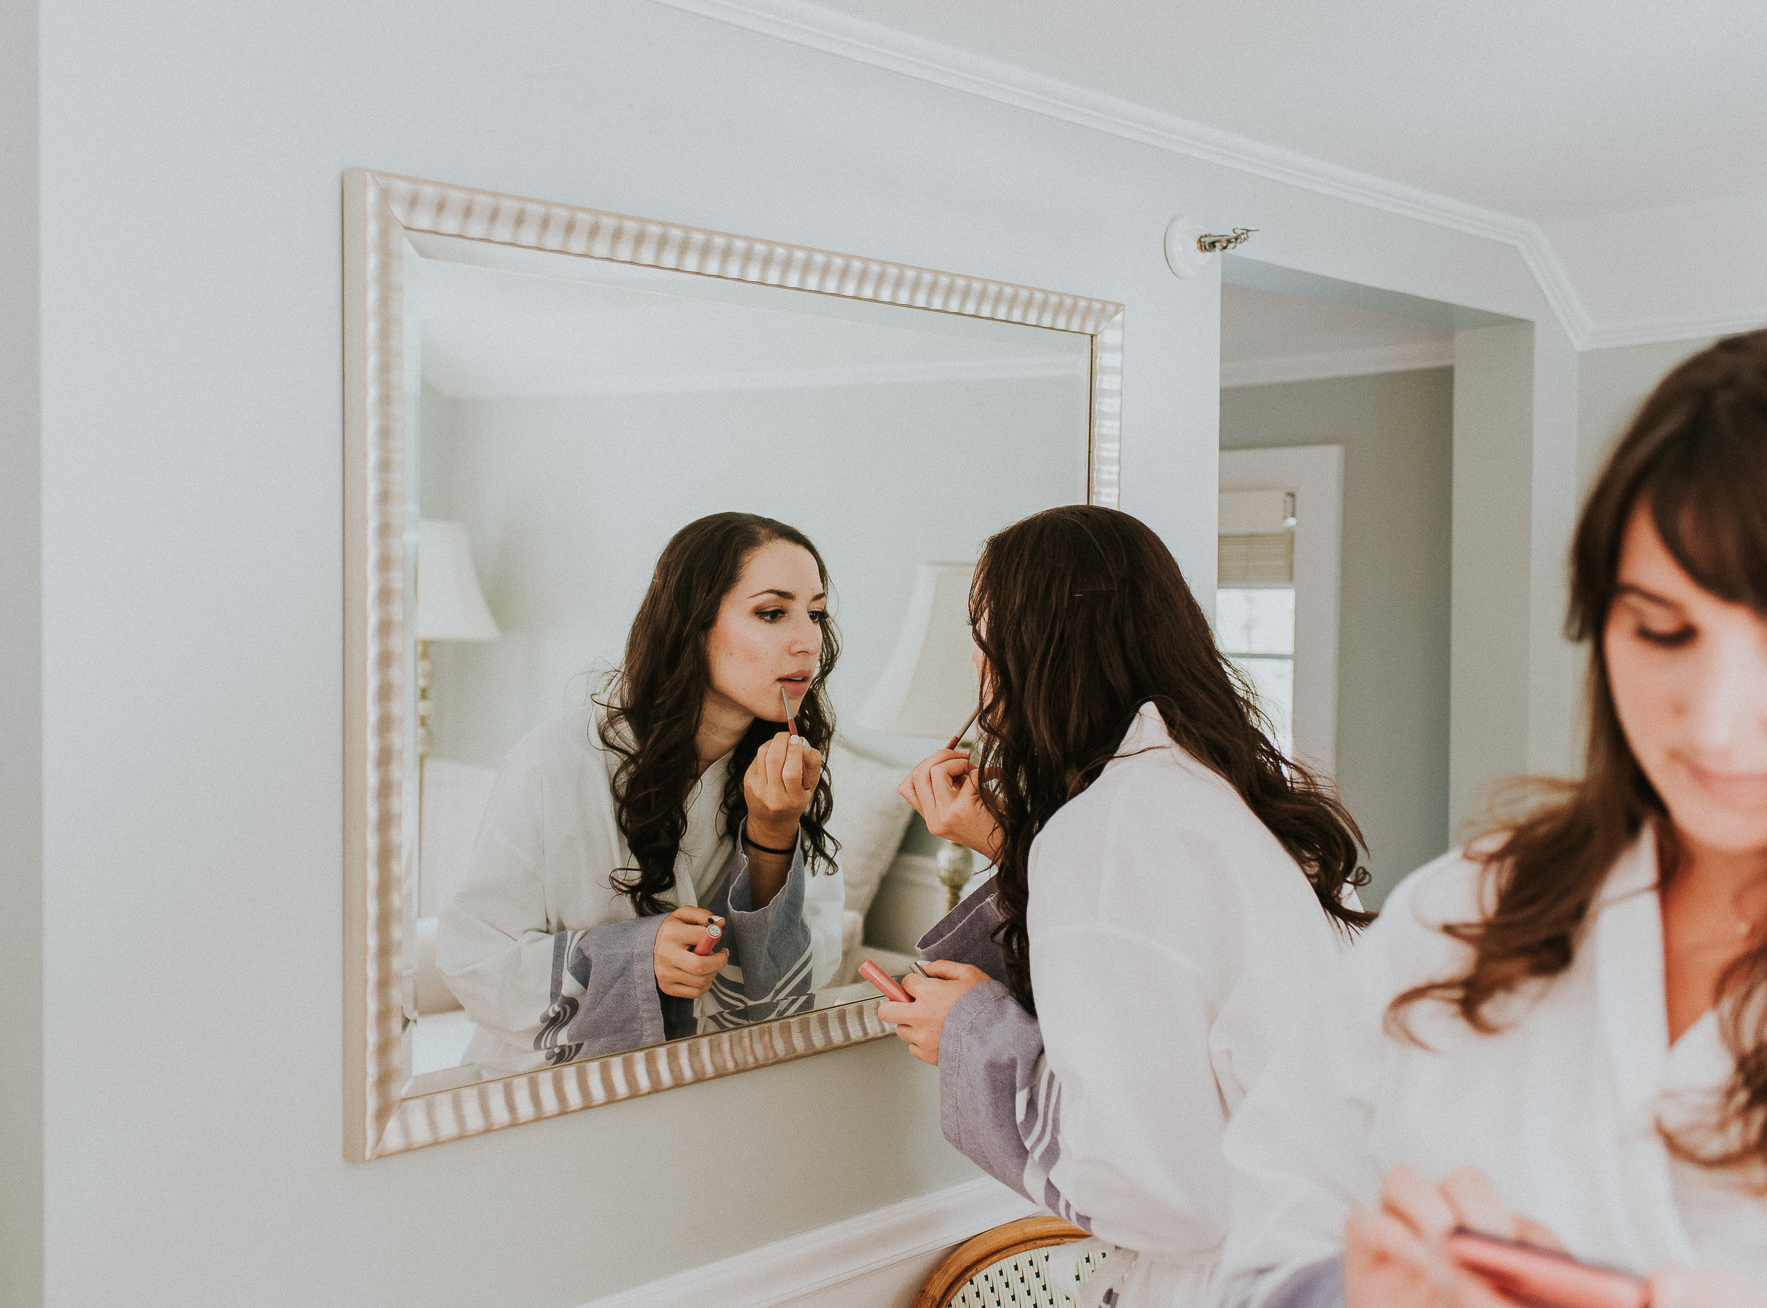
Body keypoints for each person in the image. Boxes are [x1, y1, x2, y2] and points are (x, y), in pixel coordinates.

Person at [1219, 330, 1767, 1308]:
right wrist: (1357, 1294)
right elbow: (1264, 1241)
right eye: (1659, 628)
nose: (1717, 722)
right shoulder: (1463, 913)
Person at [878, 503, 1372, 1308]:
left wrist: (972, 1034)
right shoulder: (1234, 794)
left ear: (1041, 645)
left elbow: (1158, 1191)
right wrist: (1013, 846)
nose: (977, 660)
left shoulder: (1107, 834)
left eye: (987, 629)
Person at [437, 512, 847, 1072]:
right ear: (693, 622)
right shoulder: (559, 759)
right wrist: (636, 960)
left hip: (710, 1093)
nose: (808, 641)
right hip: (550, 1103)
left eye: (816, 613)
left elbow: (792, 980)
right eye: (772, 613)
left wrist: (772, 835)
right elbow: (475, 960)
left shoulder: (792, 771)